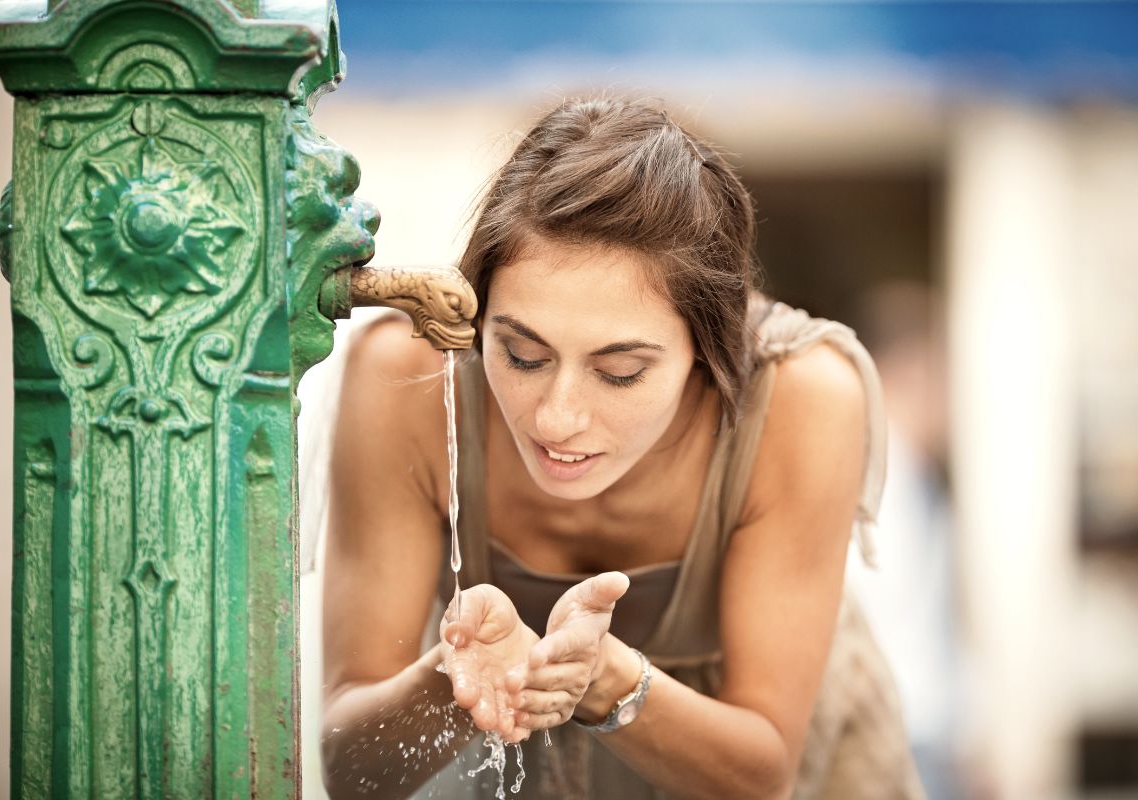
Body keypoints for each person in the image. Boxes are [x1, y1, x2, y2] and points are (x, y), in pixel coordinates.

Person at [320, 97, 924, 799]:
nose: (557, 417)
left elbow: (764, 774)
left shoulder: (802, 397)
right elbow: (350, 769)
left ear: (708, 348)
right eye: (520, 355)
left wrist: (603, 679)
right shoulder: (410, 379)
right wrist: (456, 678)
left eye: (620, 373)